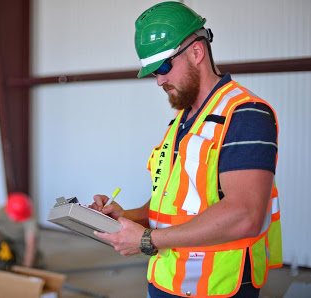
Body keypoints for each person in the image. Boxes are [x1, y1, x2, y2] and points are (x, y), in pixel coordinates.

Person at [90, 2, 282, 298]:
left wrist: (147, 240)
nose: (160, 81)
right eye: (153, 72)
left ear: (196, 52)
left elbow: (245, 214)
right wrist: (126, 217)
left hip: (217, 287)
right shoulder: (181, 122)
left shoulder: (245, 115)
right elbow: (172, 208)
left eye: (163, 67)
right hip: (168, 281)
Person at [0, 192, 42, 270]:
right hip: (4, 238)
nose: (16, 220)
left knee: (33, 262)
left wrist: (25, 270)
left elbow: (30, 245)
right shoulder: (0, 212)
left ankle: (36, 258)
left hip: (22, 240)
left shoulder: (30, 217)